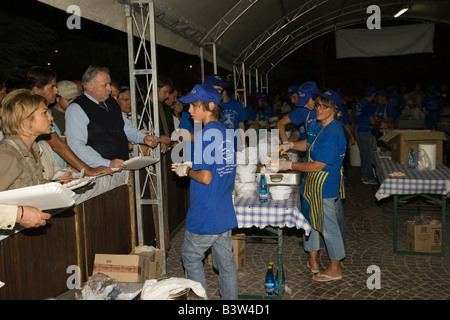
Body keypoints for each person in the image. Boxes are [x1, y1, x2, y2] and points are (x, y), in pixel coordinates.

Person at [172, 84, 238, 300]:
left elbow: (206, 177)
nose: (189, 111)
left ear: (210, 106)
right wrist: (195, 167)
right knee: (225, 263)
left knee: (190, 256)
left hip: (207, 210)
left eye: (193, 105)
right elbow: (220, 169)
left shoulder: (206, 134)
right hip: (224, 209)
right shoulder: (224, 131)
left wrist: (187, 169)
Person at [277, 91, 347, 282]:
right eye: (318, 105)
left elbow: (317, 165)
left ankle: (335, 268)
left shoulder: (333, 132)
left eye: (325, 106)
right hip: (312, 185)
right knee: (312, 223)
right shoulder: (321, 126)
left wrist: (288, 165)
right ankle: (314, 262)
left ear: (334, 110)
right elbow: (309, 144)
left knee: (328, 227)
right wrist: (290, 145)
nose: (319, 109)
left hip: (324, 186)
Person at [65, 65, 162, 169]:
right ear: (90, 86)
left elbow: (125, 129)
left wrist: (143, 138)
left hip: (121, 166)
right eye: (105, 85)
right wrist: (106, 163)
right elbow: (77, 146)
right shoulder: (76, 108)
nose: (109, 88)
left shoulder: (111, 103)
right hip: (98, 170)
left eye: (109, 84)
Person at [24, 66, 112, 177]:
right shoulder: (29, 114)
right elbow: (58, 146)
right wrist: (88, 170)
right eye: (52, 87)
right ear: (36, 90)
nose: (56, 91)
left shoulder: (48, 114)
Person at [0, 89, 71, 191]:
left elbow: (35, 186)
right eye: (44, 113)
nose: (51, 117)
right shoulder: (7, 155)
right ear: (25, 120)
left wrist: (65, 185)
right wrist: (19, 208)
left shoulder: (33, 149)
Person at [204, 74, 248, 151]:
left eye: (220, 89)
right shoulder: (203, 107)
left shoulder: (235, 104)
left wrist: (244, 145)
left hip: (234, 145)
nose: (219, 92)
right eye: (217, 89)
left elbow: (241, 125)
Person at [350, 86, 379, 185]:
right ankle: (368, 177)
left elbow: (352, 115)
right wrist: (379, 124)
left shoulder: (360, 103)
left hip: (358, 129)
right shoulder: (368, 104)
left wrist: (359, 121)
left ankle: (365, 176)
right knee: (368, 155)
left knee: (363, 155)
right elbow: (372, 121)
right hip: (365, 131)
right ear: (373, 95)